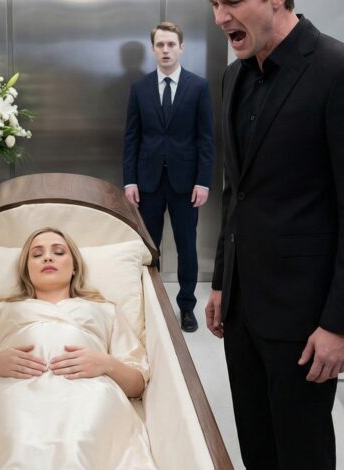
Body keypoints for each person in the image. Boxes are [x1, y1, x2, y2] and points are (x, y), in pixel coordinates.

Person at [204, 1, 344, 469]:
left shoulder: (343, 72)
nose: (220, 17)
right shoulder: (234, 77)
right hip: (242, 311)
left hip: (305, 319)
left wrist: (341, 324)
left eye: (231, 1)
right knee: (257, 447)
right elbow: (235, 191)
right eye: (213, 3)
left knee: (302, 452)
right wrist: (223, 280)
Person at [0, 228, 156, 469]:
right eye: (37, 254)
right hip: (10, 392)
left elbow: (137, 384)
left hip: (88, 391)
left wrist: (106, 363)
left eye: (58, 252)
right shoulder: (0, 310)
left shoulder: (104, 309)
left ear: (74, 267)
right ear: (26, 270)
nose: (47, 257)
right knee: (16, 442)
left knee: (78, 442)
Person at [122, 21, 215, 333]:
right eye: (160, 45)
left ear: (181, 48)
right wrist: (130, 180)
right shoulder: (140, 88)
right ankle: (153, 304)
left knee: (187, 247)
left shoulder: (198, 87)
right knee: (150, 247)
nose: (165, 50)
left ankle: (187, 306)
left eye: (171, 44)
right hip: (147, 182)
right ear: (153, 49)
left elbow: (206, 138)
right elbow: (132, 138)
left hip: (185, 183)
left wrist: (203, 181)